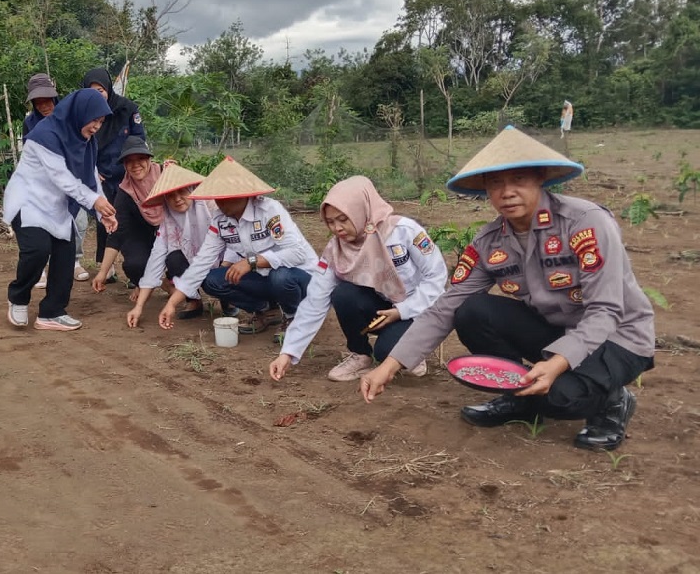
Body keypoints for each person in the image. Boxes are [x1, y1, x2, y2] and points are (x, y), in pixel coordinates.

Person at [360, 126, 655, 452]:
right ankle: (522, 400)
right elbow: (446, 307)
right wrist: (389, 366)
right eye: (496, 183)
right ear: (485, 189)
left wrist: (557, 363)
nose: (507, 192)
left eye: (519, 180)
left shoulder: (585, 223)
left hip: (619, 336)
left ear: (540, 178)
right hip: (560, 330)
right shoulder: (489, 241)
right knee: (471, 312)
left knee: (560, 399)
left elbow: (606, 310)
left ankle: (614, 400)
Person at [268, 176, 448, 383]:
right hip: (382, 309)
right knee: (344, 294)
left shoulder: (403, 232)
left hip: (417, 309)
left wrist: (402, 311)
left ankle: (409, 350)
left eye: (343, 219)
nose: (337, 228)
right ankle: (360, 354)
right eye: (330, 222)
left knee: (385, 352)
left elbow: (436, 277)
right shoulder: (336, 250)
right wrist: (287, 353)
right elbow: (314, 301)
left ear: (361, 209)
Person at [157, 157, 317, 340]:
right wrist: (171, 303)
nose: (220, 203)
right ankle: (265, 310)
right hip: (266, 278)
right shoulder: (220, 221)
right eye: (217, 197)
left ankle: (294, 316)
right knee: (212, 280)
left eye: (227, 197)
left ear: (245, 194)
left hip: (302, 279)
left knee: (279, 275)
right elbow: (201, 263)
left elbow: (297, 253)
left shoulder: (269, 210)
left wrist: (252, 262)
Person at [3, 89, 118, 331]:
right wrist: (94, 201)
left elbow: (91, 178)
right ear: (80, 113)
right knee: (37, 250)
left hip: (56, 207)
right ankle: (18, 297)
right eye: (94, 119)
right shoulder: (45, 135)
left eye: (101, 121)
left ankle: (52, 312)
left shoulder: (87, 142)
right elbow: (62, 178)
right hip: (28, 202)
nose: (97, 126)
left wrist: (104, 213)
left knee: (65, 255)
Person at [125, 164, 219, 327]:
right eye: (170, 196)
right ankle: (193, 299)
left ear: (191, 190)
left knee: (217, 280)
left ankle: (227, 300)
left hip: (222, 263)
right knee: (173, 259)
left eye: (182, 191)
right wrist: (138, 307)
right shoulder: (168, 224)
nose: (177, 199)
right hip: (197, 265)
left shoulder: (212, 207)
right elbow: (155, 262)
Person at [21, 73, 90, 285]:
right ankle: (41, 266)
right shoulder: (30, 123)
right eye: (38, 102)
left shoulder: (70, 118)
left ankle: (75, 262)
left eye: (47, 100)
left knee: (78, 222)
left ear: (55, 98)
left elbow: (83, 147)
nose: (43, 105)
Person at [83, 68, 146, 282]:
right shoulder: (86, 114)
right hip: (101, 175)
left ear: (108, 88)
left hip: (127, 173)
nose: (97, 95)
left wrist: (134, 168)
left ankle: (135, 269)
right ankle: (106, 267)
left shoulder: (127, 109)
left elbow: (138, 139)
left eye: (100, 90)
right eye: (91, 91)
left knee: (132, 219)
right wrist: (92, 170)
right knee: (106, 219)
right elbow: (82, 144)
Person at [91, 136, 162, 295]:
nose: (135, 165)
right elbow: (117, 232)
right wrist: (103, 272)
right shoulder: (125, 191)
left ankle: (190, 297)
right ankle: (143, 283)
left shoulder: (166, 175)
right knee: (134, 265)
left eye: (141, 158)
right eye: (129, 161)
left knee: (177, 261)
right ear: (124, 165)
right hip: (142, 236)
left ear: (149, 159)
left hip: (171, 234)